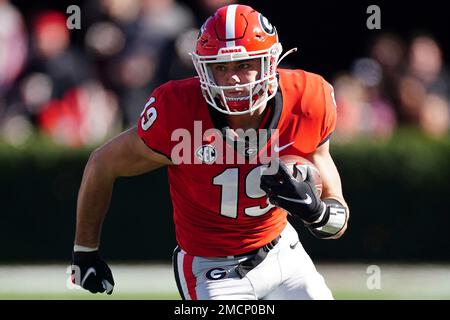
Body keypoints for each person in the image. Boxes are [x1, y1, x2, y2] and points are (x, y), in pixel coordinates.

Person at [71, 4, 350, 300]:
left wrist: (317, 212)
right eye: (221, 67)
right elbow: (103, 163)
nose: (232, 79)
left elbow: (338, 223)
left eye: (244, 65)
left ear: (270, 62)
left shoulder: (307, 100)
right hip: (212, 271)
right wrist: (85, 251)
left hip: (284, 254)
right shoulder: (178, 110)